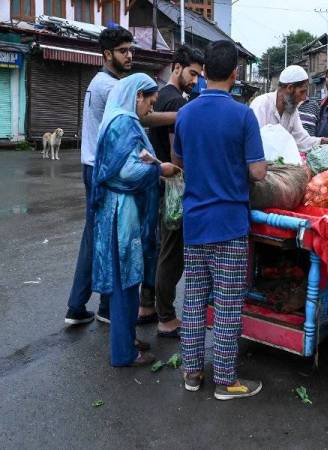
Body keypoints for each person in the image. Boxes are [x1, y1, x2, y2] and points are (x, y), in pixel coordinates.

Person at [64, 27, 178, 327]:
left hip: (99, 165)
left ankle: (94, 305)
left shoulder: (106, 82)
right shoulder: (110, 87)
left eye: (131, 50)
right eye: (123, 51)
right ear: (107, 55)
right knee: (103, 237)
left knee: (100, 235)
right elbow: (141, 117)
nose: (129, 56)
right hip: (104, 169)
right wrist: (181, 116)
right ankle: (88, 305)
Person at [171, 40, 266, 399]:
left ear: (205, 72)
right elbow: (257, 172)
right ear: (235, 74)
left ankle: (192, 373)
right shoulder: (243, 115)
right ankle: (226, 381)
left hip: (194, 223)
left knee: (194, 299)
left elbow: (178, 164)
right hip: (229, 225)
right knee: (226, 303)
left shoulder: (186, 114)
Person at [91, 73, 180, 367]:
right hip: (122, 212)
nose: (150, 111)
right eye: (150, 103)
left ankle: (127, 340)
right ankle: (123, 354)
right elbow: (127, 172)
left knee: (126, 281)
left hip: (118, 210)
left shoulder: (117, 117)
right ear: (137, 96)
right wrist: (159, 169)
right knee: (125, 284)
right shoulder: (124, 122)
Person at [138, 45, 204, 338]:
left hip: (159, 182)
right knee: (171, 252)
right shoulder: (175, 101)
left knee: (158, 247)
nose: (195, 80)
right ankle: (166, 317)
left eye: (199, 75)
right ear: (176, 67)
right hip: (173, 183)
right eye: (192, 73)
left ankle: (147, 305)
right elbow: (180, 153)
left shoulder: (160, 97)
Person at [250, 65, 328, 151]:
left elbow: (302, 140)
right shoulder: (261, 105)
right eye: (302, 92)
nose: (303, 98)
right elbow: (254, 143)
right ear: (290, 88)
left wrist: (324, 141)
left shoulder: (292, 111)